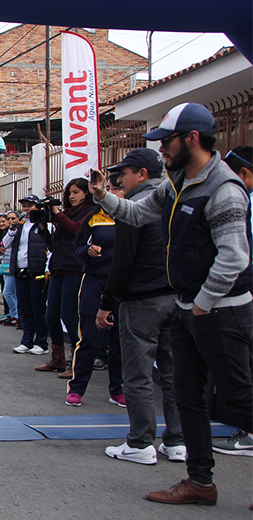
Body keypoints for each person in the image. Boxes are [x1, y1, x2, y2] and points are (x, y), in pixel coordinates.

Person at [89, 103, 252, 506]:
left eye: (167, 141)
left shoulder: (224, 189)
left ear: (192, 139)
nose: (161, 150)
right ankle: (199, 481)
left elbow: (234, 256)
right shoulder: (176, 183)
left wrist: (202, 304)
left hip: (222, 310)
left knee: (238, 397)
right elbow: (137, 214)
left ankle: (200, 478)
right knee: (187, 394)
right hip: (186, 307)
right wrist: (102, 196)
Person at [95, 147, 185, 465]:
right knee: (173, 373)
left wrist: (107, 301)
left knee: (138, 373)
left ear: (142, 174)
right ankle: (176, 440)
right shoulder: (176, 201)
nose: (120, 178)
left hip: (143, 299)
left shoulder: (136, 207)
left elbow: (123, 260)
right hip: (176, 297)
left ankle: (141, 442)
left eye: (125, 172)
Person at [211, 146, 253, 457]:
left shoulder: (239, 200)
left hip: (241, 296)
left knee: (240, 376)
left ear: (245, 175)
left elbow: (238, 255)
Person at [64, 200, 123, 407]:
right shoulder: (94, 218)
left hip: (123, 283)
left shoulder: (134, 215)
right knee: (89, 337)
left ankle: (118, 389)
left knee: (119, 340)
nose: (114, 193)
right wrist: (88, 250)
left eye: (118, 188)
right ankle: (77, 388)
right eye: (111, 189)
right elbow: (77, 249)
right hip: (94, 281)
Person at [41, 179, 94, 374]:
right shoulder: (65, 215)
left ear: (86, 193)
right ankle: (57, 358)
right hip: (58, 266)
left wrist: (57, 214)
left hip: (75, 267)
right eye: (70, 193)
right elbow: (53, 243)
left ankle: (77, 362)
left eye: (76, 192)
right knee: (51, 315)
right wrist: (43, 226)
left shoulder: (91, 211)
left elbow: (76, 230)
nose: (72, 196)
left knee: (69, 316)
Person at [4, 195, 52, 354]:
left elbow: (51, 248)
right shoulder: (20, 226)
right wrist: (12, 228)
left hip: (37, 271)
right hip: (20, 271)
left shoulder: (45, 225)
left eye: (29, 206)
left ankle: (42, 343)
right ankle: (26, 340)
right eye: (24, 206)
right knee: (24, 308)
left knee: (37, 307)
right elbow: (5, 244)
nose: (26, 209)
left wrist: (47, 268)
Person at [0, 211, 20, 327]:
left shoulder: (19, 232)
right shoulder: (9, 232)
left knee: (7, 293)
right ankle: (13, 314)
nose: (11, 221)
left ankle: (15, 314)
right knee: (11, 293)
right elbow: (4, 244)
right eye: (9, 218)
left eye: (13, 218)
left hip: (14, 265)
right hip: (5, 265)